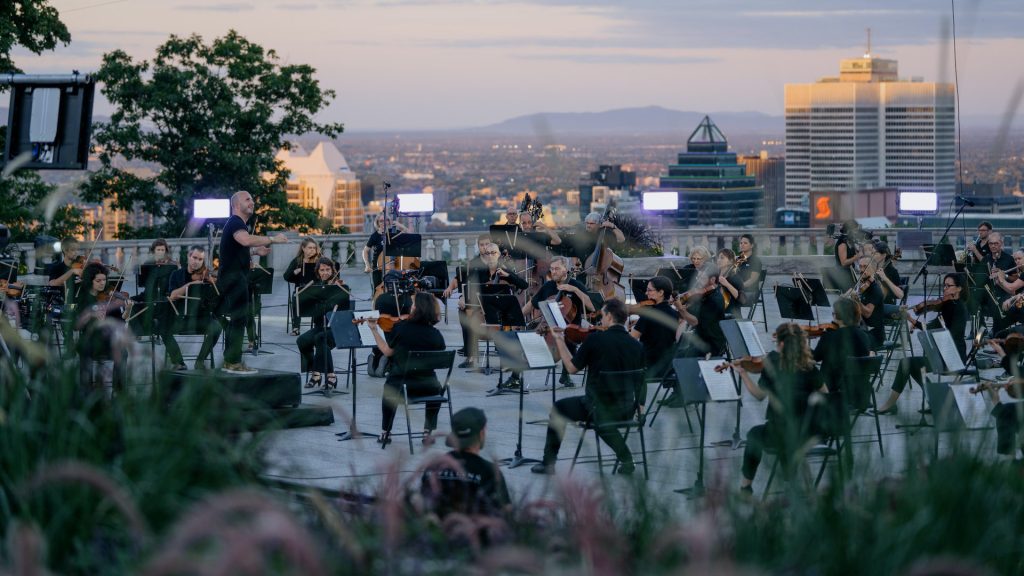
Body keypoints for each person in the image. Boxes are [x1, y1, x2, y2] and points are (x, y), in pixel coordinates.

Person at [532, 299, 644, 475]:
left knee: (559, 408)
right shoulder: (637, 345)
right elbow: (641, 380)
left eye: (602, 315)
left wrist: (560, 340)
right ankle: (627, 459)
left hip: (597, 408)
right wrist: (640, 407)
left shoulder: (596, 339)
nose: (600, 319)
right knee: (604, 421)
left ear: (608, 316)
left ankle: (548, 464)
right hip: (626, 409)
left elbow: (571, 368)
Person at [735, 322, 828, 494]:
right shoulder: (809, 366)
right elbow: (825, 394)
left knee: (755, 434)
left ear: (782, 344)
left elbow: (759, 395)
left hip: (780, 432)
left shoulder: (773, 361)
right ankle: (790, 476)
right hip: (808, 432)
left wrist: (743, 373)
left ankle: (745, 486)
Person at [872, 273, 968, 415]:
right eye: (944, 285)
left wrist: (939, 329)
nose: (945, 289)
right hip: (942, 353)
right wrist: (910, 318)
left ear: (959, 288)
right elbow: (928, 327)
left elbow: (954, 335)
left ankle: (890, 404)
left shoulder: (959, 308)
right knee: (911, 365)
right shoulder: (946, 306)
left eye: (949, 286)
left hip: (953, 356)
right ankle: (934, 401)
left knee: (909, 363)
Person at [217, 191, 287, 374]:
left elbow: (236, 251)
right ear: (236, 205)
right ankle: (233, 362)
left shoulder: (238, 224)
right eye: (247, 199)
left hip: (236, 278)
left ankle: (231, 360)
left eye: (252, 199)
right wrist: (273, 239)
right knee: (239, 320)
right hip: (233, 280)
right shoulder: (235, 223)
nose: (252, 202)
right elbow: (245, 240)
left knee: (238, 320)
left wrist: (256, 252)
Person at [367, 291, 446, 447]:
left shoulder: (401, 329)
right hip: (429, 388)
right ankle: (427, 432)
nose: (411, 305)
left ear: (418, 308)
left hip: (402, 388)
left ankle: (385, 432)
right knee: (436, 385)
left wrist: (374, 330)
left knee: (389, 388)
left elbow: (388, 352)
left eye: (414, 303)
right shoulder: (436, 335)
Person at [419, 407, 511, 518]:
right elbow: (506, 515)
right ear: (481, 434)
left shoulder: (433, 467)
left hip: (435, 533)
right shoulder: (490, 472)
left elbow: (422, 508)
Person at [520, 257, 594, 388]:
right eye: (552, 269)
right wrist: (519, 317)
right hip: (548, 326)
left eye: (557, 269)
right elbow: (532, 303)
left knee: (569, 338)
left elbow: (592, 307)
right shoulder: (548, 286)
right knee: (524, 341)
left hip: (570, 328)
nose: (553, 272)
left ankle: (565, 375)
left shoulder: (576, 285)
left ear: (566, 269)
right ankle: (514, 378)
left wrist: (575, 290)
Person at [458, 242, 528, 371]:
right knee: (463, 312)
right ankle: (471, 357)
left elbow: (524, 285)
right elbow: (468, 290)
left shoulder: (505, 271)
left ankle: (507, 360)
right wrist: (462, 298)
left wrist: (508, 276)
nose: (490, 256)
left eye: (493, 253)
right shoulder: (479, 272)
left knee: (502, 321)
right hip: (484, 310)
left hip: (503, 313)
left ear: (499, 255)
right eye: (487, 253)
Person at [73, 262, 133, 398]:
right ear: (90, 281)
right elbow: (76, 325)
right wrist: (91, 315)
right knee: (85, 349)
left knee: (122, 352)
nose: (102, 283)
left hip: (107, 340)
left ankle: (119, 391)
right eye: (98, 280)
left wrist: (128, 309)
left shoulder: (109, 298)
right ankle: (86, 389)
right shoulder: (82, 298)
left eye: (104, 280)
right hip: (89, 340)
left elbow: (121, 321)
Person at [164, 245, 220, 371]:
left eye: (200, 259)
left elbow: (217, 296)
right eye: (194, 257)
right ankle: (178, 361)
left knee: (217, 327)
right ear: (189, 256)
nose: (196, 262)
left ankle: (200, 361)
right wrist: (190, 284)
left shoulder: (205, 277)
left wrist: (213, 285)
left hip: (201, 318)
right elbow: (173, 295)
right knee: (163, 327)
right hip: (181, 319)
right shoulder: (176, 274)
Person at [812, 297, 874, 409]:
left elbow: (815, 358)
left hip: (834, 393)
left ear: (837, 316)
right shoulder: (864, 335)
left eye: (834, 313)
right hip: (860, 394)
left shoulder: (831, 336)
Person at [296, 257, 347, 390]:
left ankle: (330, 376)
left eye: (328, 270)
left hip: (337, 329)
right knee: (302, 340)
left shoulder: (340, 286)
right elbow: (307, 309)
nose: (325, 273)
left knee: (321, 338)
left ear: (332, 270)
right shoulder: (315, 288)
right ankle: (316, 372)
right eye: (322, 270)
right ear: (318, 272)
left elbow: (345, 311)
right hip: (320, 327)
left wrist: (340, 290)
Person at [630, 275, 680, 382]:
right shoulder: (675, 314)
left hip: (648, 366)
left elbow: (631, 339)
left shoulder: (649, 314)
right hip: (668, 366)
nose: (646, 293)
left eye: (649, 290)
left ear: (661, 293)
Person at [362, 214, 410, 292]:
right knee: (377, 290)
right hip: (377, 266)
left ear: (389, 222)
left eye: (386, 220)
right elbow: (365, 250)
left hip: (392, 266)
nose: (384, 223)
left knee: (394, 288)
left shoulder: (393, 232)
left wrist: (399, 225)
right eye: (381, 221)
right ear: (377, 223)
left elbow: (409, 234)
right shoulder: (374, 236)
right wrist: (367, 265)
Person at [284, 237, 322, 336]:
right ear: (303, 248)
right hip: (300, 290)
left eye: (314, 248)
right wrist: (295, 272)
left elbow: (327, 274)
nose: (312, 250)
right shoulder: (297, 261)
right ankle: (296, 327)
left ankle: (319, 325)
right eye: (310, 248)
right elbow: (286, 277)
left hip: (315, 290)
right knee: (296, 297)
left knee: (322, 299)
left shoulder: (319, 260)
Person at [853, 256, 886, 348]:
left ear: (873, 269)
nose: (862, 269)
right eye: (860, 266)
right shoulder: (860, 285)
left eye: (865, 267)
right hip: (861, 329)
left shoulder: (875, 289)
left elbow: (867, 313)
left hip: (874, 335)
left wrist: (857, 301)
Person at [870, 240, 904, 305]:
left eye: (875, 254)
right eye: (872, 253)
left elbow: (901, 295)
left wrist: (885, 278)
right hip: (871, 303)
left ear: (884, 255)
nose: (872, 256)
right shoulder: (871, 268)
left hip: (885, 304)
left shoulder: (892, 271)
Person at [736, 234, 763, 306]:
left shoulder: (755, 261)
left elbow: (752, 280)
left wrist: (739, 287)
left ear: (751, 245)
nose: (742, 245)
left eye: (745, 243)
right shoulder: (739, 259)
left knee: (729, 297)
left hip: (751, 292)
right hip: (739, 290)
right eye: (741, 243)